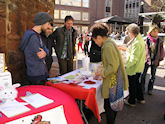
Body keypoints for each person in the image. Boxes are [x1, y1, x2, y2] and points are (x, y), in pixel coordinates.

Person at [90, 23, 128, 124]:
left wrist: (101, 72)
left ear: (98, 37)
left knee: (109, 107)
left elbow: (113, 66)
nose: (95, 42)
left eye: (94, 40)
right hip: (115, 80)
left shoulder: (107, 46)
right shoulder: (110, 43)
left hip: (112, 82)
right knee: (113, 106)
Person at [19, 12, 53, 85]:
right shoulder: (33, 37)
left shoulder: (37, 35)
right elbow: (40, 56)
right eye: (47, 23)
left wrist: (45, 52)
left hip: (38, 73)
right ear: (42, 22)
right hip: (36, 75)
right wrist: (45, 52)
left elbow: (46, 50)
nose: (48, 26)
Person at [124, 23, 146, 106]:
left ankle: (131, 101)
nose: (128, 34)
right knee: (137, 83)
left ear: (131, 32)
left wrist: (126, 65)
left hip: (134, 67)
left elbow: (134, 58)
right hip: (138, 66)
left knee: (132, 85)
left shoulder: (137, 42)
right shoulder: (139, 39)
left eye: (128, 32)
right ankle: (140, 98)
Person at [141, 24, 164, 95]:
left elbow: (161, 50)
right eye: (153, 31)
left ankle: (150, 89)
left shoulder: (160, 40)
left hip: (155, 59)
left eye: (156, 31)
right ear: (150, 31)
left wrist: (161, 58)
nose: (155, 33)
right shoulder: (146, 39)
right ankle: (142, 89)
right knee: (143, 75)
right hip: (146, 59)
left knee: (153, 76)